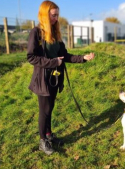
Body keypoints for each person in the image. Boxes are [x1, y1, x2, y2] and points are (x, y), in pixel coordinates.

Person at [27, 0, 95, 155]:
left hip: (55, 78)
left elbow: (65, 56)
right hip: (43, 80)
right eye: (53, 15)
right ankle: (43, 140)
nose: (56, 18)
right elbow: (31, 57)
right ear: (44, 14)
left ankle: (49, 135)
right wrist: (53, 62)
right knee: (44, 110)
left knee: (50, 108)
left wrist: (83, 58)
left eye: (57, 15)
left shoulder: (56, 34)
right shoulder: (36, 32)